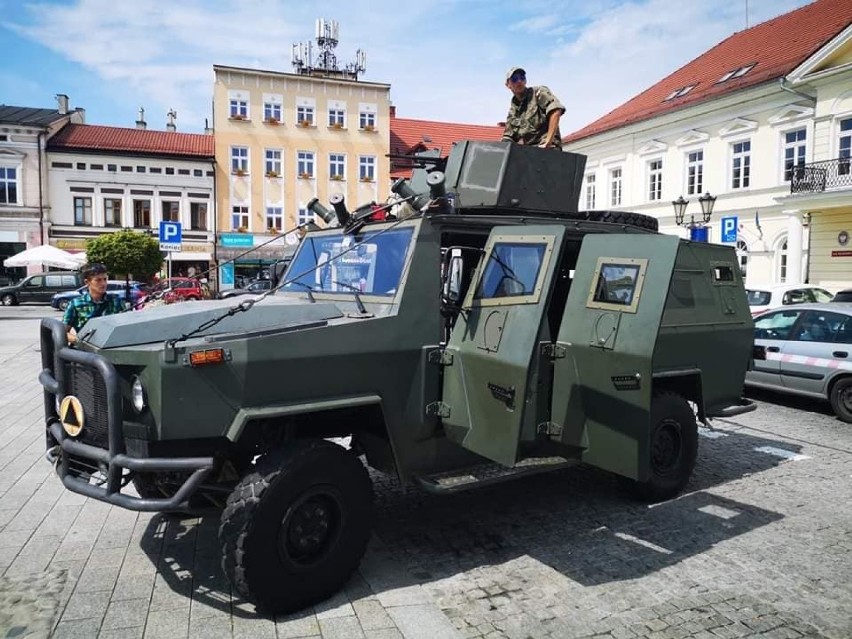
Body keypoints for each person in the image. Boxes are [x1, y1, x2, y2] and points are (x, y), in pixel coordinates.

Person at [501, 66, 566, 149]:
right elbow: (508, 137)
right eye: (514, 79)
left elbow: (556, 111)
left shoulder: (538, 93)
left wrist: (548, 142)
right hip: (530, 151)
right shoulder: (513, 110)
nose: (519, 81)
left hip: (548, 148)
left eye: (522, 78)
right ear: (508, 85)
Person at [63, 263, 124, 344]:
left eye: (105, 279)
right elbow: (63, 332)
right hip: (87, 353)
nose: (103, 283)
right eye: (98, 280)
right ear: (87, 282)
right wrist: (79, 342)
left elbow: (125, 327)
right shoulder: (76, 304)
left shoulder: (116, 301)